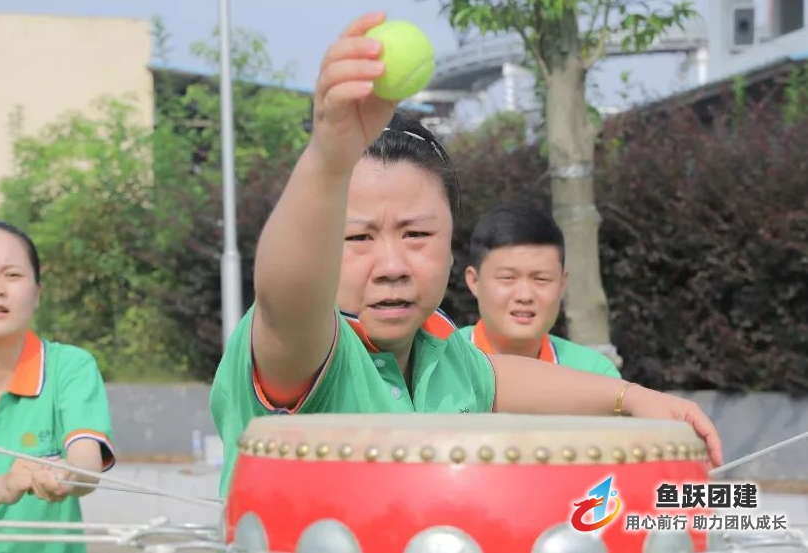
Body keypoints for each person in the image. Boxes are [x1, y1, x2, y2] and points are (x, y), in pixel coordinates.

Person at [209, 12, 723, 497]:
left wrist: (633, 399)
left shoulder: (444, 352)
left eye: (416, 235)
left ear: (455, 252)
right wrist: (326, 160)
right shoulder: (309, 348)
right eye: (357, 238)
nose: (392, 266)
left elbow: (496, 377)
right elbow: (287, 298)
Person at [0, 220, 115, 553]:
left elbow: (86, 464)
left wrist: (66, 474)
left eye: (12, 275)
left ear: (38, 293)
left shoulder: (70, 367)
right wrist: (0, 488)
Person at [458, 203, 621, 377]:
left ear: (562, 285)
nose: (525, 296)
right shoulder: (436, 364)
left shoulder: (593, 375)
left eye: (541, 279)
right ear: (474, 281)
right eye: (508, 278)